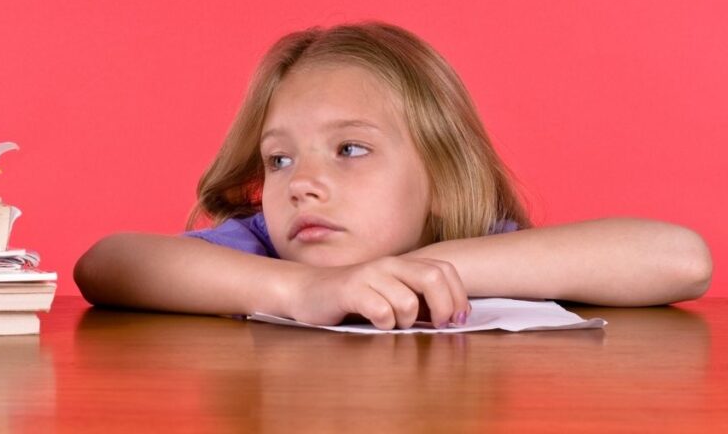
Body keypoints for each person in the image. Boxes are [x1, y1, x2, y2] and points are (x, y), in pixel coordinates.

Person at [74, 22, 712, 330]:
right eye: (280, 159)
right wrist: (303, 293)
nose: (302, 184)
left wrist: (442, 270)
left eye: (350, 149)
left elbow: (680, 259)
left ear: (439, 173)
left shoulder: (471, 245)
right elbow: (106, 264)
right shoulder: (263, 251)